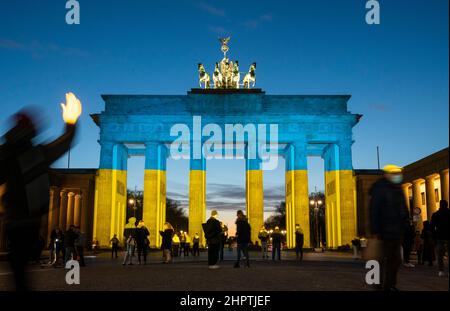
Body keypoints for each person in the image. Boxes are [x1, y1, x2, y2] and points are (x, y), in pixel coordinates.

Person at [0, 94, 81, 291]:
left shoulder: (6, 154)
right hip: (28, 221)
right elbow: (64, 143)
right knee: (21, 270)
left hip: (17, 220)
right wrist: (71, 122)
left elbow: (64, 143)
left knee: (19, 269)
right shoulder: (36, 153)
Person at [369, 164, 409, 291]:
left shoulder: (398, 189)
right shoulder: (380, 189)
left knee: (395, 260)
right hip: (383, 232)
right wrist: (375, 231)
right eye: (394, 173)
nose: (397, 176)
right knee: (379, 259)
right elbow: (374, 210)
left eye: (399, 173)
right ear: (387, 174)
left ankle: (390, 285)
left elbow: (403, 208)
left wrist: (405, 223)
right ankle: (377, 284)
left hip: (396, 231)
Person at [430, 200, 449, 276]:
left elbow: (432, 227)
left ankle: (441, 270)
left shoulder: (435, 214)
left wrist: (433, 237)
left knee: (440, 256)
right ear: (447, 205)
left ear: (440, 205)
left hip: (439, 237)